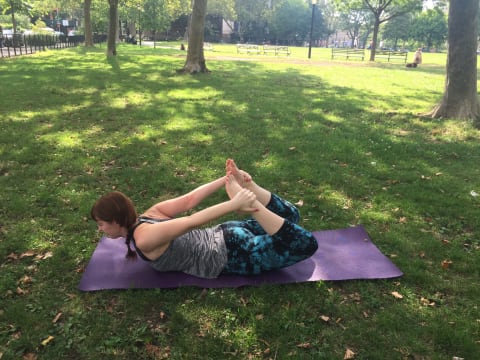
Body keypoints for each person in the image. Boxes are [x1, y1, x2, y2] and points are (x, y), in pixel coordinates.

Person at [90, 159, 318, 279]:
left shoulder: (144, 238)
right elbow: (190, 201)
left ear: (116, 220)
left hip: (233, 253)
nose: (100, 229)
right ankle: (250, 192)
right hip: (228, 233)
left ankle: (251, 198)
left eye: (101, 223)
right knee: (291, 217)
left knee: (306, 243)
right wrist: (228, 185)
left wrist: (232, 198)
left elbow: (192, 219)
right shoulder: (149, 215)